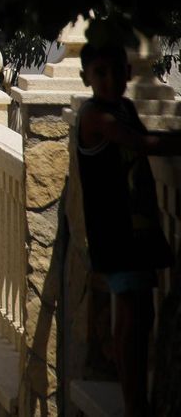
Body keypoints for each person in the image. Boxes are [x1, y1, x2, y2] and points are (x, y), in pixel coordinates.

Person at [76, 40, 181, 417]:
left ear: (128, 73)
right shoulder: (95, 117)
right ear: (85, 77)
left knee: (141, 312)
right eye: (99, 73)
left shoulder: (124, 108)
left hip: (138, 228)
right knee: (131, 317)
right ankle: (134, 401)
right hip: (115, 232)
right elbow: (141, 144)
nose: (109, 80)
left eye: (115, 71)